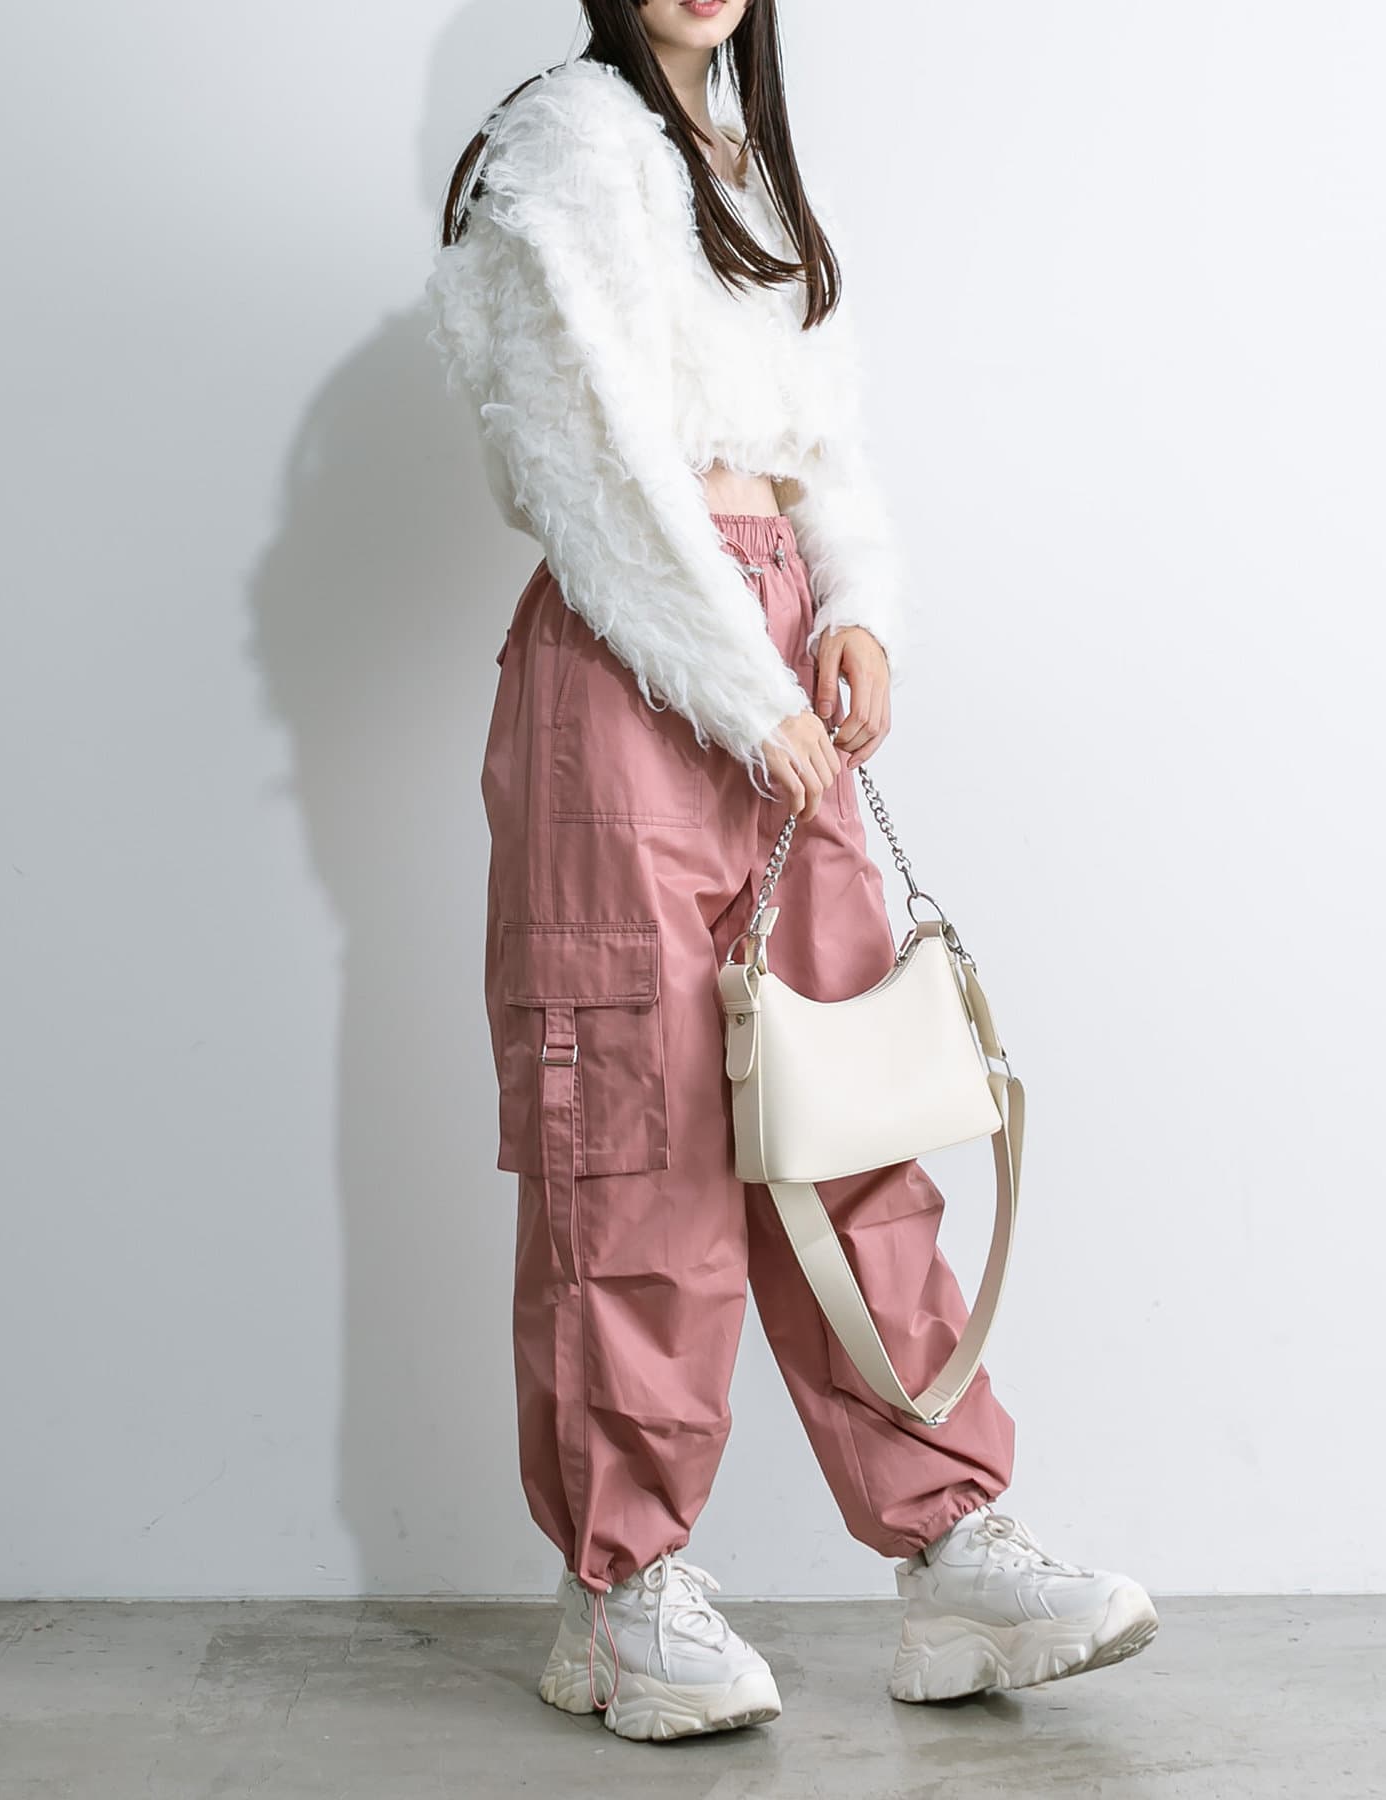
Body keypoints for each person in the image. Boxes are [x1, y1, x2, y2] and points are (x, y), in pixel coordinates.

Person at [425, 0, 1157, 1742]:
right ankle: (619, 1592)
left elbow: (820, 442)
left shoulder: (746, 170)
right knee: (635, 1137)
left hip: (768, 663)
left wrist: (856, 608)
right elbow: (588, 468)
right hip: (634, 669)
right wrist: (740, 685)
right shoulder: (564, 149)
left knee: (848, 1110)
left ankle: (947, 1544)